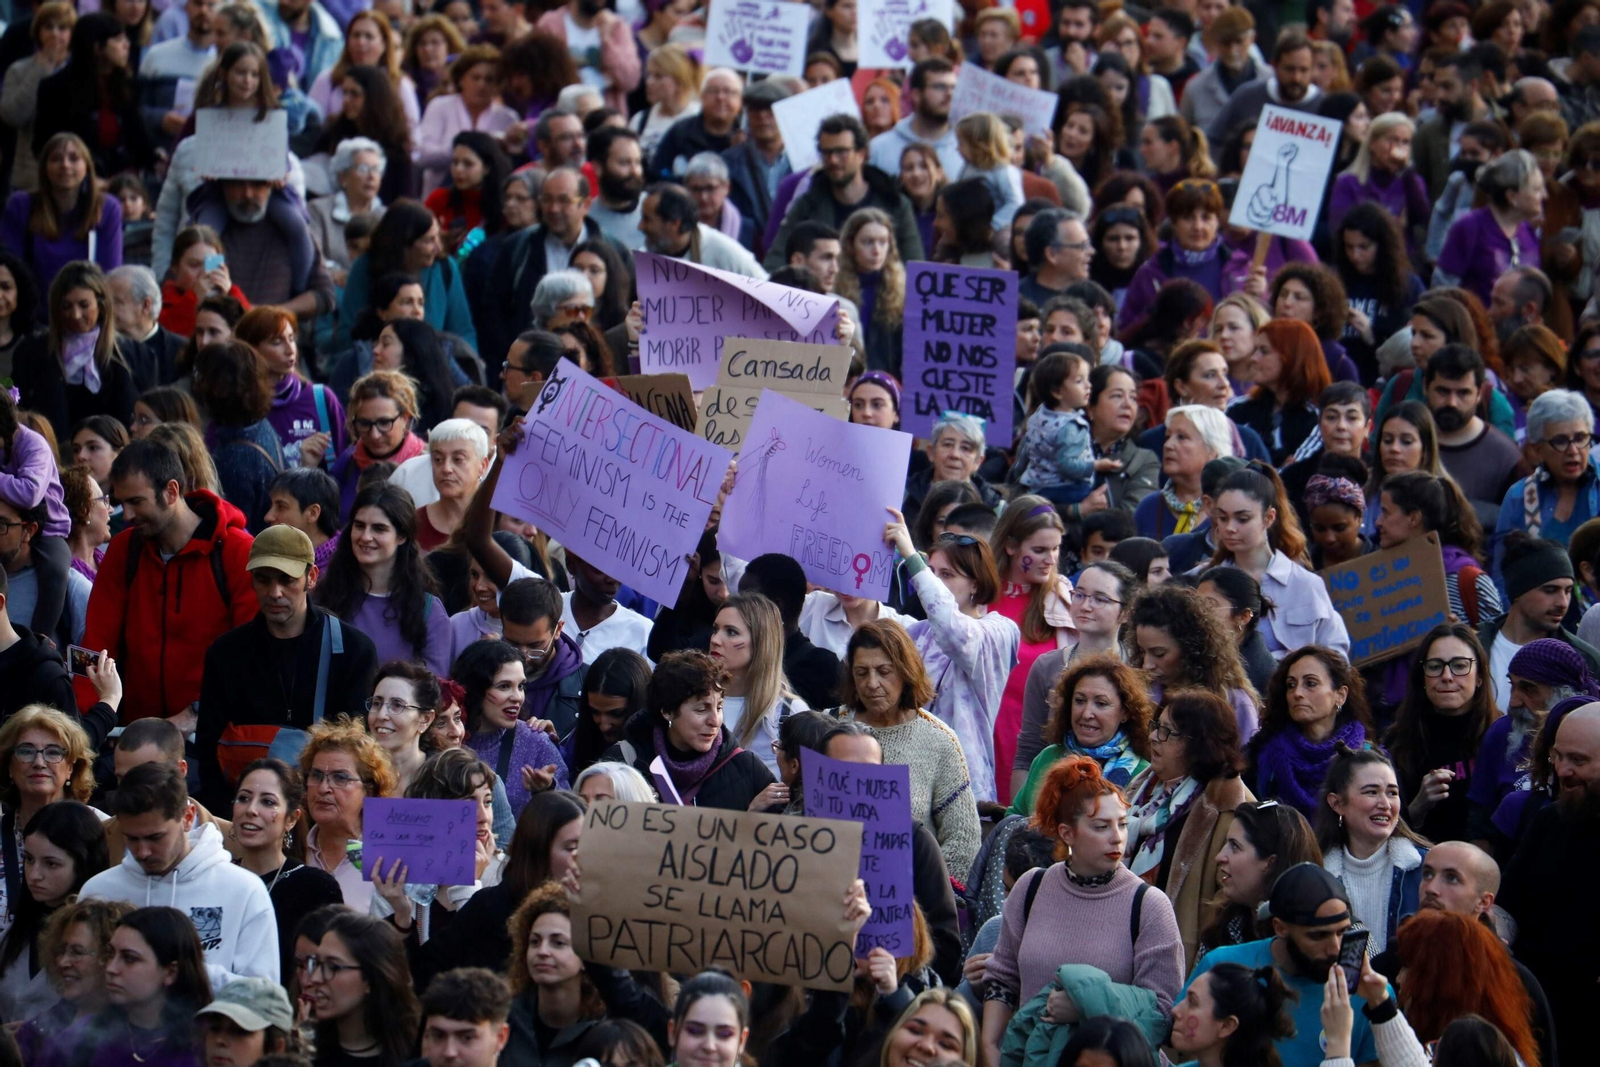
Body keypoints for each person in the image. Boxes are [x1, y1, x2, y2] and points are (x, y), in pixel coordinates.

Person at [980, 757, 1185, 1067]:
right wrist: (991, 1048)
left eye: (1123, 823)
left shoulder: (1148, 905)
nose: (1117, 836)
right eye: (1101, 826)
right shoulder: (1031, 887)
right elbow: (1003, 979)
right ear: (1067, 833)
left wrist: (1086, 1006)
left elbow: (1161, 1011)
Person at [196, 523, 378, 808]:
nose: (275, 592)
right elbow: (208, 751)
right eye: (263, 579)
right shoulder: (226, 653)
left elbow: (358, 750)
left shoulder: (354, 651)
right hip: (244, 810)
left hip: (323, 809)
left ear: (311, 577)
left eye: (287, 579)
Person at [80, 439, 256, 724]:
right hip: (130, 735)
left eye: (136, 502)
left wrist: (198, 713)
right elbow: (96, 646)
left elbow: (250, 656)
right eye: (120, 502)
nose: (126, 515)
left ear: (171, 491)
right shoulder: (125, 550)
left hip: (211, 736)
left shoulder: (236, 551)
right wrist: (92, 725)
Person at [79, 761, 278, 984]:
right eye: (132, 839)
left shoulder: (244, 890)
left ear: (188, 816)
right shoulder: (98, 891)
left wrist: (179, 972)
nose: (143, 852)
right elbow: (81, 985)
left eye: (155, 837)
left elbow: (264, 996)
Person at [1187, 863, 1386, 1067]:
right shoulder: (1221, 966)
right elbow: (1180, 1041)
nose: (1335, 949)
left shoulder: (1370, 994)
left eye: (1342, 932)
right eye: (1318, 935)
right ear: (1280, 928)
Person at [603, 648, 773, 811]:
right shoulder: (623, 762)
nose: (715, 721)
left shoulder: (746, 768)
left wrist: (752, 818)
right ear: (667, 712)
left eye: (719, 707)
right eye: (701, 709)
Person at [1206, 466, 1347, 659]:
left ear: (1269, 518)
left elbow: (1336, 656)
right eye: (1222, 518)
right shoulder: (1203, 582)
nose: (1230, 528)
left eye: (1243, 519)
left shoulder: (1305, 584)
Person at [316, 482, 452, 678]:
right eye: (359, 525)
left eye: (379, 529)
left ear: (402, 536)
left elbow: (433, 690)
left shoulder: (429, 611)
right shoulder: (322, 597)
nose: (365, 536)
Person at [48, 906, 212, 1066]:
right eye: (110, 954)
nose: (111, 968)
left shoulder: (206, 1045)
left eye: (129, 958)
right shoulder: (81, 1037)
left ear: (170, 972)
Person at [1384, 623, 1499, 845]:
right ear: (1422, 677)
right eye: (1435, 666)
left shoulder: (1502, 734)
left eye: (1459, 665)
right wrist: (1419, 804)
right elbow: (1384, 829)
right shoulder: (1397, 742)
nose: (1447, 676)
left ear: (1480, 677)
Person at [1313, 746, 1428, 963]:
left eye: (1392, 793)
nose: (1385, 804)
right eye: (1371, 792)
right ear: (1336, 803)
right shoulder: (1315, 875)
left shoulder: (1427, 868)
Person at [0, 801, 107, 1023]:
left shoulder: (104, 940)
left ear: (83, 863)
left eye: (51, 864)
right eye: (29, 859)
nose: (34, 874)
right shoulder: (14, 935)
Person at [1011, 653, 1152, 818]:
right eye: (1079, 701)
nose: (1086, 714)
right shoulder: (1047, 758)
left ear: (1125, 713)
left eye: (1101, 704)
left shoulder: (1142, 774)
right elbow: (1014, 816)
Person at [12, 262, 137, 442]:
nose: (75, 314)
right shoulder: (32, 352)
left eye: (84, 305)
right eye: (66, 306)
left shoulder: (128, 353)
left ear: (101, 305)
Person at [1247, 646, 1374, 817]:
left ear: (1340, 695)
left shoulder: (1369, 759)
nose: (1297, 693)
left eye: (1311, 683)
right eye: (1291, 685)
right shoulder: (1264, 755)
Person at [1198, 800, 1323, 958]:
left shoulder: (1333, 937)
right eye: (1226, 844)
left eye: (1235, 846)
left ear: (1271, 862)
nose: (1219, 857)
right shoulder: (1220, 933)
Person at [1492, 391, 1600, 572]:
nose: (1573, 450)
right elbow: (1502, 574)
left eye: (1581, 438)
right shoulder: (1518, 497)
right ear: (1537, 449)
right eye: (1560, 440)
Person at [1424, 345, 1528, 526]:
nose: (1452, 402)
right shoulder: (1402, 443)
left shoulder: (1506, 457)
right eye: (1442, 391)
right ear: (1426, 387)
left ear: (1479, 393)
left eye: (1463, 392)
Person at [302, 909, 420, 1067]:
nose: (315, 978)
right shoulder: (302, 1053)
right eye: (316, 963)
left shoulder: (419, 1057)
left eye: (333, 966)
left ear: (371, 978)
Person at [1434, 150, 1547, 308]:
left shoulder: (1528, 231)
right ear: (1512, 196)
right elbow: (1443, 288)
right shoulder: (1469, 227)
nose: (1544, 195)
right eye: (1536, 189)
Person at [1117, 180, 1232, 333]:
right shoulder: (1150, 273)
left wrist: (1258, 296)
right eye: (1188, 217)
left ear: (1218, 221)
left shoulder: (1239, 269)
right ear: (1173, 223)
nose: (1198, 226)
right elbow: (1127, 330)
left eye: (1206, 217)